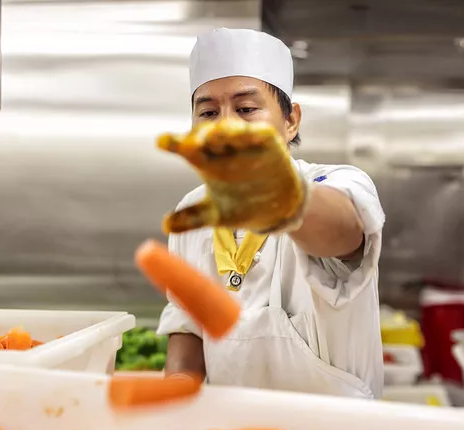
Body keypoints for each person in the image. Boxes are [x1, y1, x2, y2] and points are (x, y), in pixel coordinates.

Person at [155, 28, 386, 399]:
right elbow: (190, 324)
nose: (225, 125)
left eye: (246, 109)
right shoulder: (192, 211)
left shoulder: (335, 183)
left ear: (290, 120)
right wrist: (173, 403)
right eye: (208, 112)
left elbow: (345, 232)